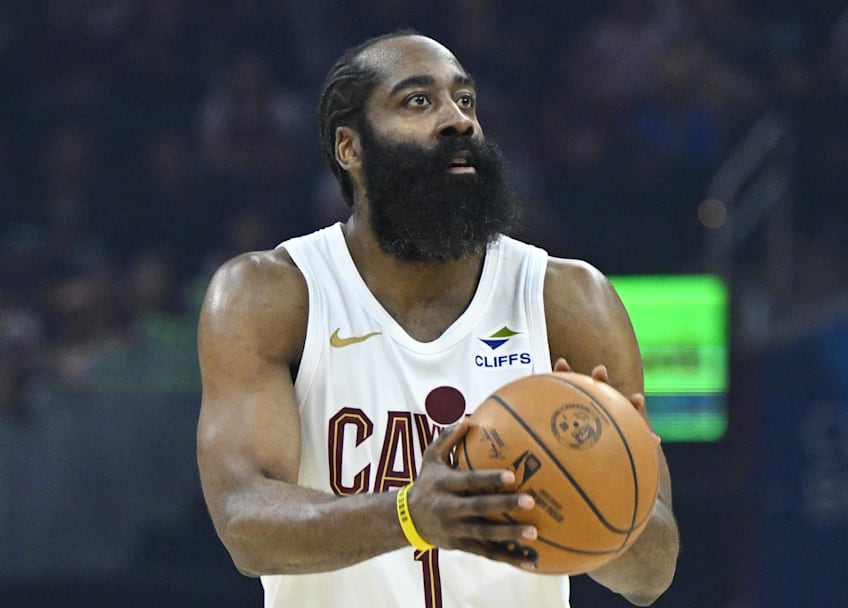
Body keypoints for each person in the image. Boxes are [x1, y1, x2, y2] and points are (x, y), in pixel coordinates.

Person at [196, 30, 679, 608]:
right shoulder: (271, 294)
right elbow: (244, 524)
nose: (458, 121)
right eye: (418, 102)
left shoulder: (569, 299)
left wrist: (610, 493)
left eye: (465, 100)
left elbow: (652, 577)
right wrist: (408, 515)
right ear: (349, 147)